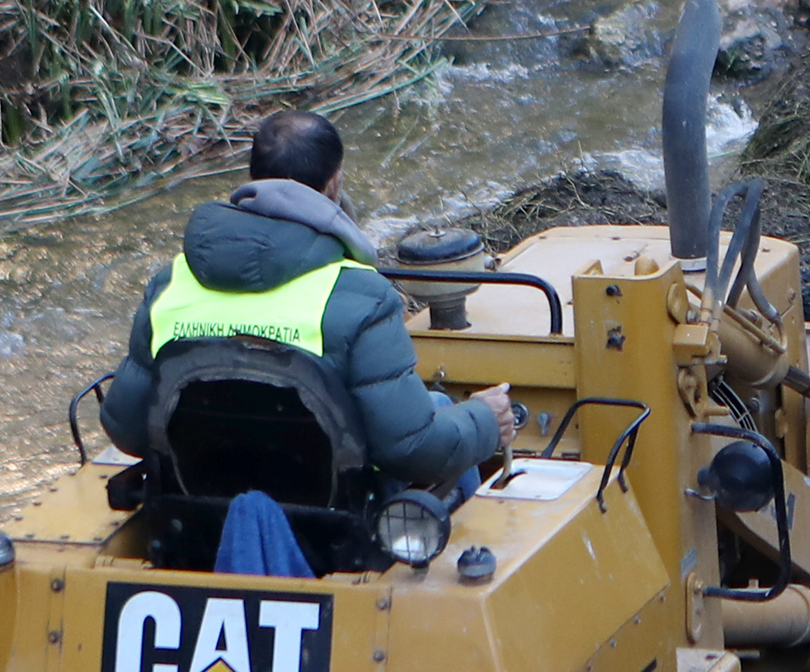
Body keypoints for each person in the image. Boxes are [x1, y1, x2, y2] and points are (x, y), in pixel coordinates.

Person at [106, 109, 511, 493]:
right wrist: (483, 420)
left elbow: (125, 427)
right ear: (334, 184)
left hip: (192, 519)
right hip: (333, 531)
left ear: (252, 179)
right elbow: (410, 449)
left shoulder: (170, 283)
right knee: (440, 407)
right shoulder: (364, 296)